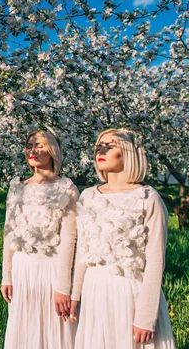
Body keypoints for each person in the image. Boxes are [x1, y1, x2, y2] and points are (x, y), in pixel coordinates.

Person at [70, 128, 176, 348]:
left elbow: (156, 261)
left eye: (110, 145)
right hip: (94, 291)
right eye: (99, 145)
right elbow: (83, 250)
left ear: (129, 153)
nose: (102, 149)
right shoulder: (88, 196)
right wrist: (75, 294)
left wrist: (146, 316)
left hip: (129, 293)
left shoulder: (148, 198)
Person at [1, 129, 79, 349]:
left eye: (39, 145)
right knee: (24, 327)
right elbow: (9, 233)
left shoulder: (67, 188)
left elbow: (70, 240)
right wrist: (6, 276)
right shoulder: (17, 188)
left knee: (54, 330)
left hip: (52, 269)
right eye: (29, 146)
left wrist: (63, 286)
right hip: (22, 269)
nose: (33, 150)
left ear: (52, 150)